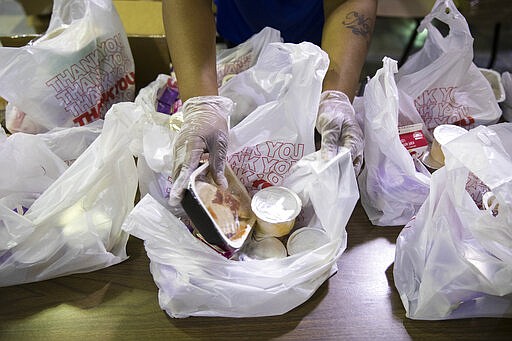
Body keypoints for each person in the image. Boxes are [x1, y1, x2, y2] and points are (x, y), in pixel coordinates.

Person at [162, 0, 378, 206]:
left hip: (326, 42)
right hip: (242, 32)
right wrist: (203, 105)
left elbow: (348, 3)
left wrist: (335, 95)